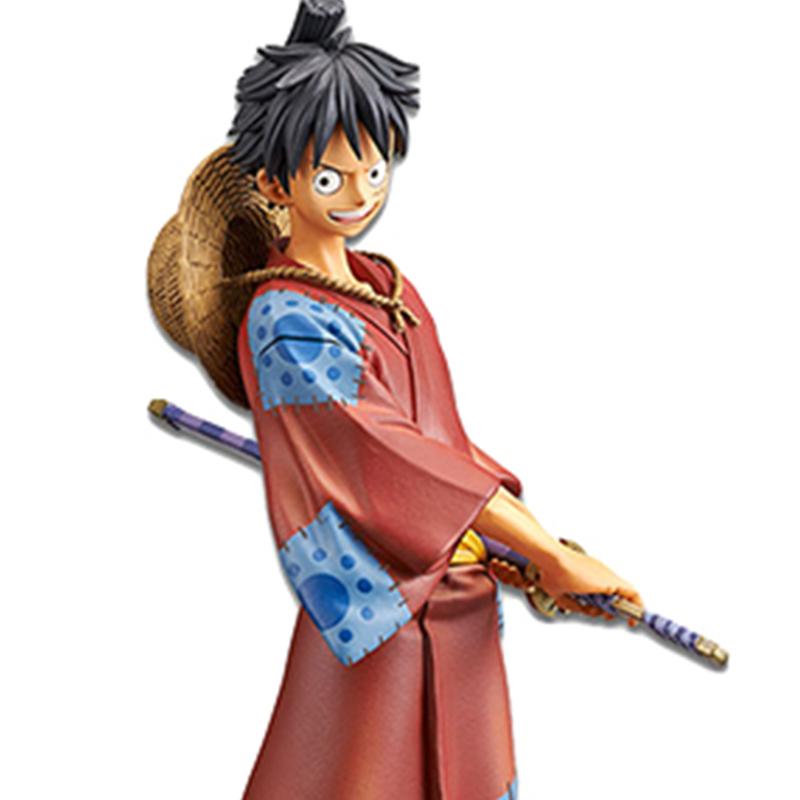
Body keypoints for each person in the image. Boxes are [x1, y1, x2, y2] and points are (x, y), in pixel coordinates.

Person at [223, 1, 641, 797]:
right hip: (383, 615)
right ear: (275, 182)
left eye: (374, 169)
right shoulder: (285, 322)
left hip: (459, 599)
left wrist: (529, 553)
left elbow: (446, 449)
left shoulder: (391, 290)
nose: (358, 194)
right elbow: (396, 460)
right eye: (328, 177)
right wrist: (548, 554)